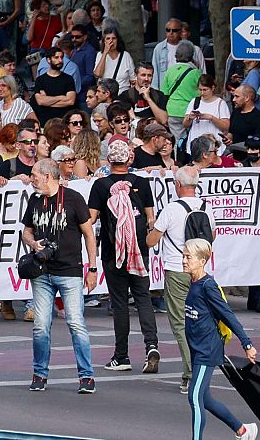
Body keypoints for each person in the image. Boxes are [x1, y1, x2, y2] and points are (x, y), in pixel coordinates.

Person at [21, 157, 98, 394]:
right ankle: (39, 373)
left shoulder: (73, 198)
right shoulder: (35, 200)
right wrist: (34, 245)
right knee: (40, 325)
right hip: (42, 271)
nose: (31, 179)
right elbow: (26, 231)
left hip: (70, 270)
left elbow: (88, 233)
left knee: (76, 323)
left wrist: (92, 268)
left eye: (34, 175)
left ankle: (86, 376)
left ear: (47, 176)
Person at [87, 139, 159, 375]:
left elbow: (91, 219)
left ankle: (122, 355)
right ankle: (151, 345)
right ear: (130, 159)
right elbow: (151, 218)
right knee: (143, 298)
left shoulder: (100, 185)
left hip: (113, 251)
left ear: (109, 161)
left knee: (119, 302)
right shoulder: (141, 183)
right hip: (138, 251)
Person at [180, 238, 260, 440]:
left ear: (202, 261)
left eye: (188, 257)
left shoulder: (208, 286)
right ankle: (243, 430)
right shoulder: (194, 282)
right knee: (205, 398)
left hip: (207, 350)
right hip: (197, 348)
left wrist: (247, 343)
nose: (183, 260)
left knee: (194, 397)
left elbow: (228, 315)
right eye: (183, 256)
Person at [147, 166, 205, 393]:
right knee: (199, 320)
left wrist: (152, 229)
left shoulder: (171, 209)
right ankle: (199, 369)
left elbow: (152, 241)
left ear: (178, 185)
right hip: (199, 271)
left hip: (176, 270)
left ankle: (190, 374)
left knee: (180, 323)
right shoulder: (204, 206)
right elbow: (213, 235)